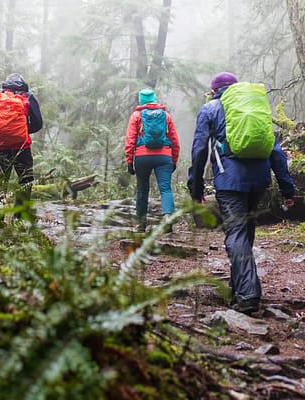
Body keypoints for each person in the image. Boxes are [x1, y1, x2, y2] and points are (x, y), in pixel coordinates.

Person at [188, 72, 295, 315]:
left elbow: (198, 151)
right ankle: (239, 288)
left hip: (229, 180)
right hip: (259, 179)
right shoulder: (254, 108)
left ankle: (248, 295)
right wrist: (288, 188)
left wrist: (195, 188)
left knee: (235, 233)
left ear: (214, 90)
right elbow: (276, 151)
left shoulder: (211, 109)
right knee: (245, 230)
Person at [0, 73, 43, 219]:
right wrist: (22, 130)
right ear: (22, 84)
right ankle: (20, 217)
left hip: (0, 146)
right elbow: (38, 123)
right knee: (25, 180)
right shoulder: (27, 97)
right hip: (22, 146)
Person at [125, 88, 180, 232]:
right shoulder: (166, 116)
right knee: (165, 188)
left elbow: (130, 139)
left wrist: (129, 161)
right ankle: (167, 217)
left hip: (142, 157)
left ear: (141, 100)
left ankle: (141, 223)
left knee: (142, 190)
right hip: (164, 156)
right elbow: (174, 140)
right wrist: (173, 160)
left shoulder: (136, 116)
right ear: (154, 99)